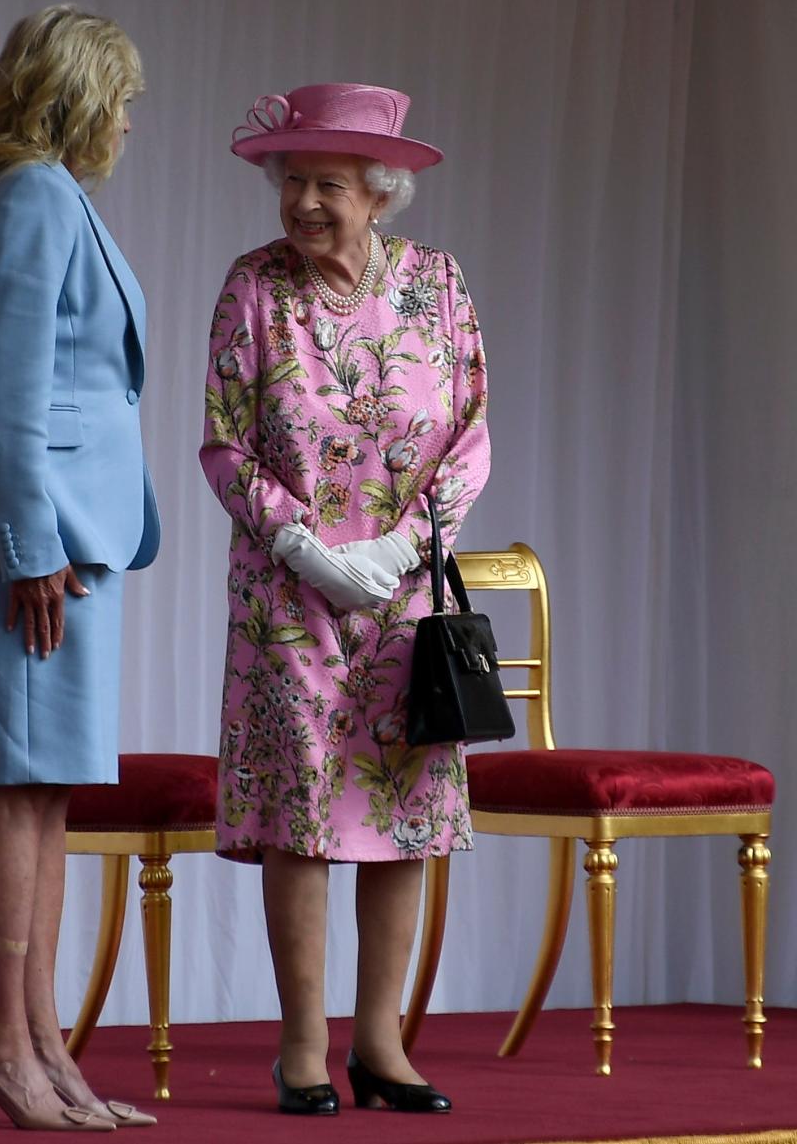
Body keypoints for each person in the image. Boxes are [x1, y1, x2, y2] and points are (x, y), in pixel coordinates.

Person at [200, 83, 491, 1115]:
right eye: (295, 181)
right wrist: (303, 544)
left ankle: (381, 1042)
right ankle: (300, 1048)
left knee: (401, 814)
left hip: (406, 599)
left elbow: (472, 433)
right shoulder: (253, 289)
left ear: (380, 192)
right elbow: (225, 440)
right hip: (291, 598)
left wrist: (413, 540)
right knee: (303, 817)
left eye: (329, 182)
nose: (305, 201)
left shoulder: (441, 287)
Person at [0, 4, 160, 1131]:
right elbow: (11, 391)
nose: (124, 121)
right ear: (79, 95)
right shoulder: (32, 199)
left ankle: (40, 1043)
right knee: (17, 791)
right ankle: (2, 1048)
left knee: (46, 791)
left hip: (67, 543)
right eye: (119, 98)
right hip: (37, 546)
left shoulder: (48, 197)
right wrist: (30, 548)